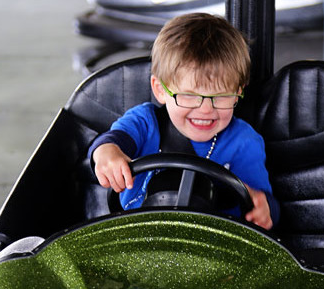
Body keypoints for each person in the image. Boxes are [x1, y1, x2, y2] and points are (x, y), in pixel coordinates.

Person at [88, 12, 278, 230]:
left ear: (237, 93)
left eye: (221, 96)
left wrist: (264, 208)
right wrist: (106, 152)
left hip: (216, 247)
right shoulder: (145, 122)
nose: (206, 109)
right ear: (160, 90)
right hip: (137, 237)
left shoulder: (244, 142)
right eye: (189, 95)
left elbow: (264, 205)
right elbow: (111, 141)